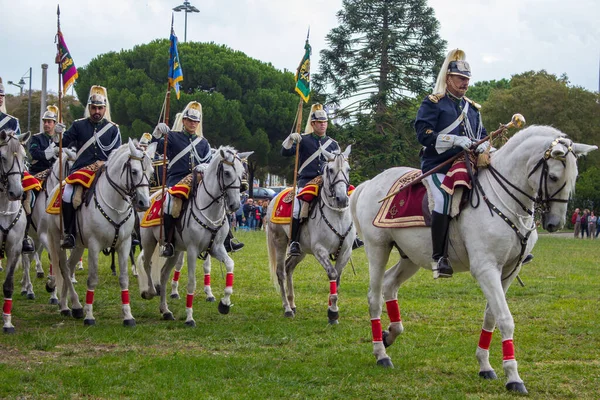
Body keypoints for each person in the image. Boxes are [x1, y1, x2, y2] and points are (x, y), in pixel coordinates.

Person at [415, 49, 490, 278]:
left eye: (467, 79)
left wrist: (484, 146)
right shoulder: (433, 103)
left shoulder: (472, 109)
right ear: (448, 78)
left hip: (468, 165)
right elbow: (424, 134)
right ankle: (439, 258)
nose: (465, 84)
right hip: (438, 165)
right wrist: (455, 140)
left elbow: (483, 134)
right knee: (442, 199)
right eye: (461, 79)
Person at [152, 101, 243, 257]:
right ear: (184, 121)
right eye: (190, 120)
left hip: (199, 179)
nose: (193, 124)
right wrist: (157, 134)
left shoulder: (203, 142)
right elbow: (155, 149)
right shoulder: (172, 137)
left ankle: (227, 239)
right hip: (177, 180)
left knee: (219, 199)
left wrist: (205, 167)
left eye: (196, 121)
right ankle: (168, 242)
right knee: (169, 204)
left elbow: (209, 162)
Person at [281, 104, 363, 256]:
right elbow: (285, 152)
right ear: (313, 124)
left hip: (328, 181)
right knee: (298, 208)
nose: (323, 124)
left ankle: (354, 236)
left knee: (350, 198)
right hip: (307, 181)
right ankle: (294, 242)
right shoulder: (303, 140)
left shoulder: (333, 143)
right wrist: (291, 139)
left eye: (325, 122)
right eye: (319, 122)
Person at [58, 85, 121, 249]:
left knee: (126, 194)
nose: (97, 111)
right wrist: (58, 134)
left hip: (105, 172)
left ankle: (129, 232)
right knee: (67, 195)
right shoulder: (79, 125)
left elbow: (117, 155)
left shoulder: (113, 129)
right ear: (89, 108)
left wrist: (104, 164)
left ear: (105, 109)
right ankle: (70, 233)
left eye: (100, 108)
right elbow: (62, 144)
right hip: (81, 171)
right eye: (94, 108)